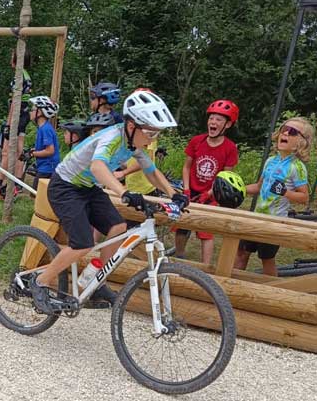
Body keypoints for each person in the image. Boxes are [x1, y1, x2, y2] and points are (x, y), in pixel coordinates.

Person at [30, 88, 187, 312]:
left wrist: (174, 194)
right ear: (131, 126)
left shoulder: (134, 145)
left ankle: (96, 281)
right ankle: (40, 282)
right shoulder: (112, 137)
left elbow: (152, 172)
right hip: (65, 186)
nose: (153, 139)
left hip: (88, 187)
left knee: (118, 227)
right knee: (82, 243)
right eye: (151, 133)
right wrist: (123, 192)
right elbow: (97, 166)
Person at [234, 117, 312, 277]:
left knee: (267, 259)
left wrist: (285, 192)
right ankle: (230, 286)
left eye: (292, 132)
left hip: (275, 222)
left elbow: (304, 197)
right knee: (241, 252)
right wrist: (238, 188)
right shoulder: (270, 161)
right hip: (257, 217)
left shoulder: (297, 167)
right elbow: (259, 186)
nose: (285, 133)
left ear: (302, 142)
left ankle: (271, 290)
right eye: (284, 129)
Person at [174, 99, 239, 265]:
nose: (213, 122)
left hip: (211, 193)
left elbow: (225, 176)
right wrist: (186, 189)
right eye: (211, 118)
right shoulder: (197, 141)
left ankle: (205, 266)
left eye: (218, 119)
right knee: (181, 226)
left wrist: (209, 193)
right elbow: (187, 167)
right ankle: (178, 257)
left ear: (228, 125)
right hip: (191, 190)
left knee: (206, 232)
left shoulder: (230, 148)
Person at [0, 48, 33, 196]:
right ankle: (18, 183)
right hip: (24, 114)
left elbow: (15, 101)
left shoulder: (19, 77)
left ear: (17, 60)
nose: (10, 59)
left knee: (6, 151)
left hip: (17, 115)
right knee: (19, 151)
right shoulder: (26, 75)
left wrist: (8, 122)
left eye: (12, 56)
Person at [20, 96, 60, 189]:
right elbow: (44, 147)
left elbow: (50, 151)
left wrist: (32, 154)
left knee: (36, 194)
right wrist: (32, 150)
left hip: (48, 168)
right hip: (44, 167)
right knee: (37, 194)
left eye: (33, 110)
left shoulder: (46, 129)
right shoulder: (42, 128)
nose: (30, 112)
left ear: (40, 112)